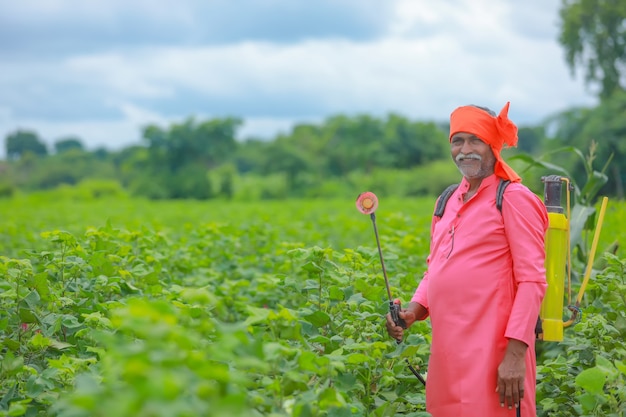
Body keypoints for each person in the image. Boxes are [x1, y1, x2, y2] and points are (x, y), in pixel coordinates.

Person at [386, 102, 548, 417]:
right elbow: (435, 267)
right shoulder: (446, 200)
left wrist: (515, 354)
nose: (465, 149)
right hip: (448, 353)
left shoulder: (513, 199)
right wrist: (413, 311)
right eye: (457, 141)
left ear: (493, 145)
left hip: (496, 351)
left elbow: (532, 281)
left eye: (475, 140)